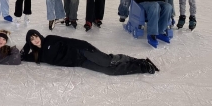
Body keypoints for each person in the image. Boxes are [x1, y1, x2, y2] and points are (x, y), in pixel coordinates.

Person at [21, 29, 159, 75]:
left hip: (82, 51)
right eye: (32, 40)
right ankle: (143, 66)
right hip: (80, 62)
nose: (35, 40)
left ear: (39, 35)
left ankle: (133, 59)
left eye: (35, 36)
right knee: (109, 71)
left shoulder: (50, 39)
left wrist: (87, 47)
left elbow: (69, 40)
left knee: (107, 61)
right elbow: (22, 56)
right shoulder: (38, 56)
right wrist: (27, 44)